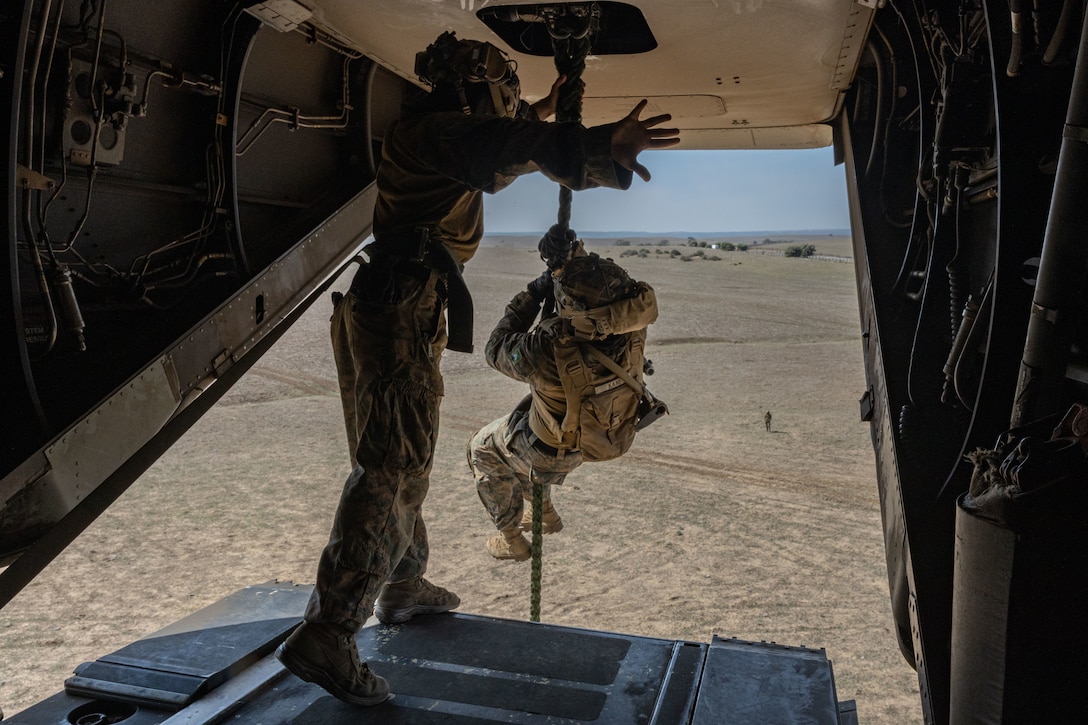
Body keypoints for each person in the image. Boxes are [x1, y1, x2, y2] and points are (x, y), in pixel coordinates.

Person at [275, 31, 679, 707]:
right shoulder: (432, 137)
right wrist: (596, 146)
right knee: (391, 468)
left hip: (401, 306)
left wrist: (546, 110)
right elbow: (497, 154)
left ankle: (402, 581)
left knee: (409, 458)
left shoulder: (435, 132)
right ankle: (330, 631)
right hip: (402, 309)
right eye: (504, 96)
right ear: (477, 95)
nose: (511, 107)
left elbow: (502, 135)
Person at [469, 251, 658, 560]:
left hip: (549, 450)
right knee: (530, 423)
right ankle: (544, 512)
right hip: (604, 437)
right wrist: (566, 256)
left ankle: (512, 539)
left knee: (482, 448)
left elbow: (495, 349)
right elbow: (603, 289)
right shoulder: (634, 327)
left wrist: (533, 293)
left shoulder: (547, 349)